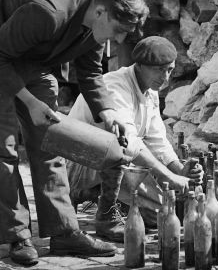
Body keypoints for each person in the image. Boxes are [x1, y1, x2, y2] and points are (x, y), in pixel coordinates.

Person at [0, 0, 185, 266]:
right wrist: (29, 102)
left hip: (35, 55)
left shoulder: (96, 19)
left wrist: (108, 112)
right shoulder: (48, 14)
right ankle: (17, 235)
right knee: (2, 148)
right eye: (118, 31)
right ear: (101, 12)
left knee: (50, 141)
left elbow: (90, 73)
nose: (118, 40)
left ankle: (64, 232)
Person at [66, 36, 202, 242]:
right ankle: (94, 205)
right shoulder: (115, 86)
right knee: (120, 146)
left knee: (160, 214)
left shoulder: (150, 90)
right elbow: (128, 142)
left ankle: (102, 196)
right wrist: (168, 177)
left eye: (170, 70)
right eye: (159, 70)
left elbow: (158, 141)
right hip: (78, 165)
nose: (165, 77)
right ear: (139, 66)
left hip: (112, 166)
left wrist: (178, 169)